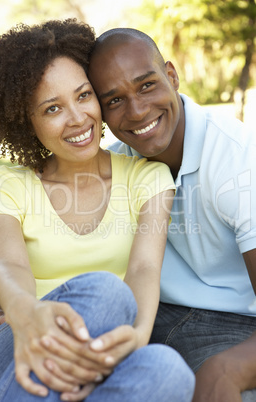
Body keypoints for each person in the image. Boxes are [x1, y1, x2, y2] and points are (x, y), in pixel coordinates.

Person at [0, 20, 195, 401]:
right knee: (106, 293)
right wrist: (26, 313)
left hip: (99, 355)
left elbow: (145, 268)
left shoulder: (147, 179)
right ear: (25, 122)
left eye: (84, 96)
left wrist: (136, 336)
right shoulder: (9, 184)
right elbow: (9, 266)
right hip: (19, 338)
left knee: (169, 371)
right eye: (52, 108)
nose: (78, 118)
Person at [86, 28, 256, 402]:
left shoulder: (237, 158)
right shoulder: (117, 161)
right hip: (152, 311)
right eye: (114, 100)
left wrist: (228, 367)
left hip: (236, 322)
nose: (137, 111)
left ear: (172, 76)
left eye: (146, 85)